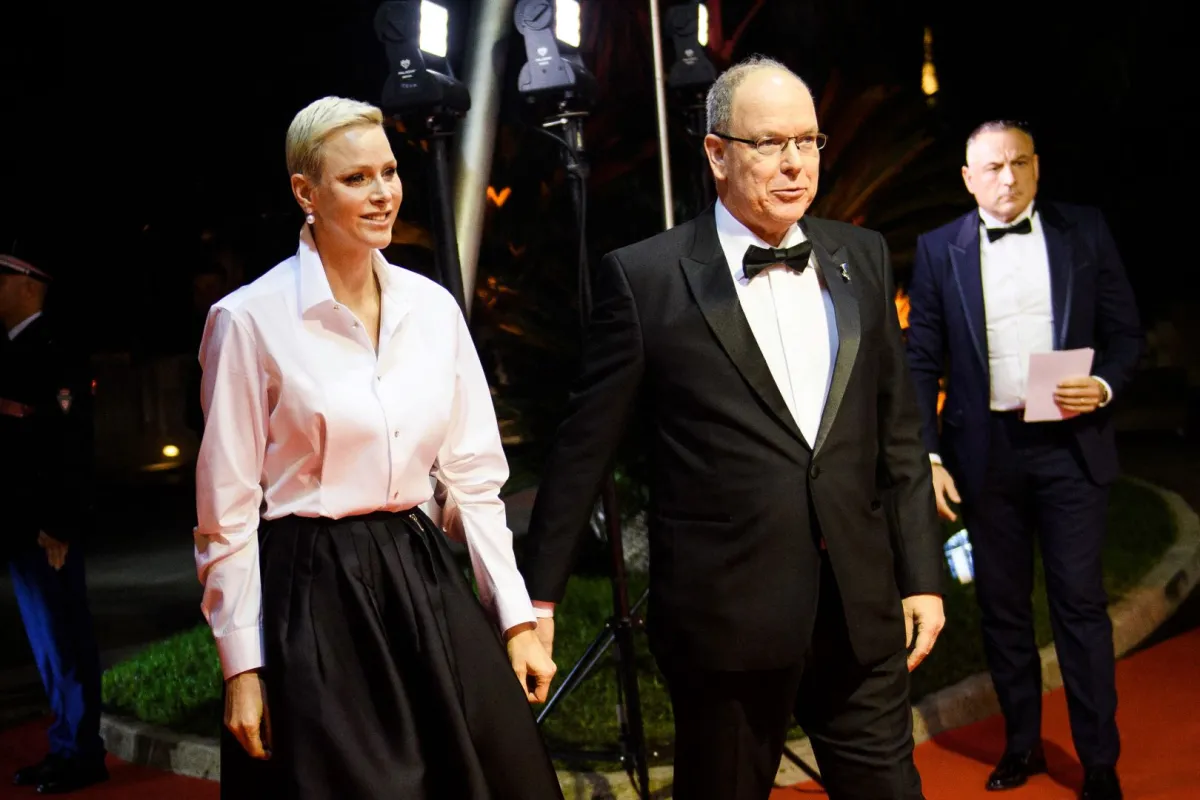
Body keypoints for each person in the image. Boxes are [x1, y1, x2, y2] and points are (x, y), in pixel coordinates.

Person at [523, 56, 945, 800]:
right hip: (726, 622)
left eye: (807, 141)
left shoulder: (862, 256)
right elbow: (585, 447)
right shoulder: (647, 278)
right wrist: (538, 600)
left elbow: (899, 434)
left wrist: (921, 577)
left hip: (857, 610)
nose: (795, 163)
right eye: (770, 143)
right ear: (717, 153)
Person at [195, 96, 562, 799]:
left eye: (389, 172)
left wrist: (515, 618)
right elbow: (226, 515)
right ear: (305, 192)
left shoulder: (433, 308)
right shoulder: (248, 320)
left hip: (420, 574)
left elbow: (472, 482)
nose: (383, 192)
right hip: (313, 592)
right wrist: (241, 666)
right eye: (355, 178)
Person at [905, 120, 1142, 800]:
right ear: (968, 178)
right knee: (1003, 609)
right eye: (993, 167)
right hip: (986, 455)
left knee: (1079, 604)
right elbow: (921, 359)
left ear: (1037, 166)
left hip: (1070, 445)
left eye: (1019, 163)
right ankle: (1022, 745)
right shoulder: (937, 248)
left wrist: (1103, 386)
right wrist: (929, 455)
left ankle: (1099, 761)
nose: (1007, 177)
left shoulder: (1084, 230)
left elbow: (1126, 335)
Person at [0, 245, 106, 794]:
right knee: (47, 642)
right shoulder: (14, 349)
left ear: (28, 285)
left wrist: (60, 521)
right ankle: (66, 743)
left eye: (1, 279)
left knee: (63, 638)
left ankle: (80, 752)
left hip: (47, 528)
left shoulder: (53, 350)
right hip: (22, 523)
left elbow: (70, 442)